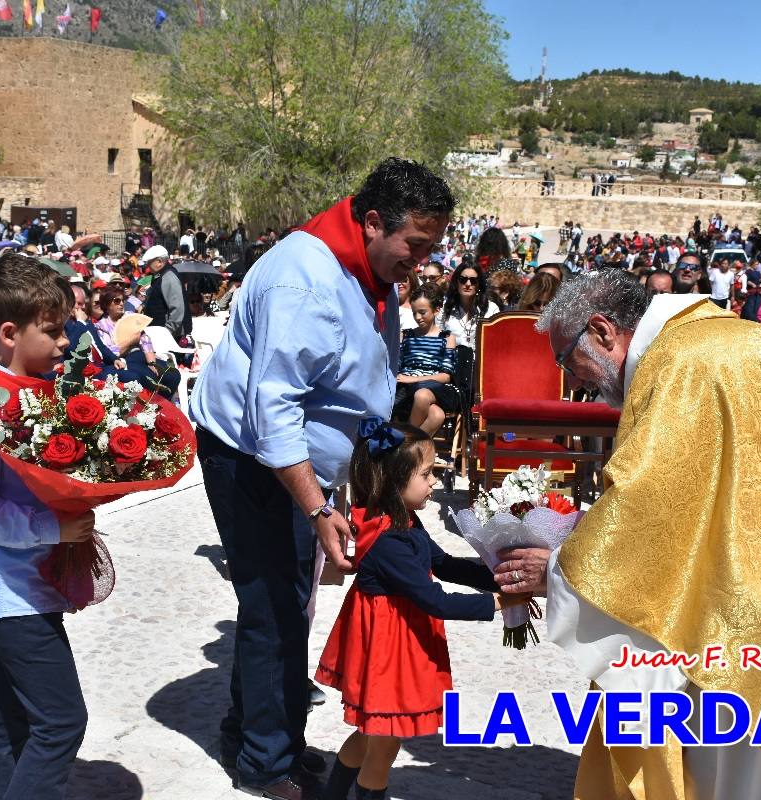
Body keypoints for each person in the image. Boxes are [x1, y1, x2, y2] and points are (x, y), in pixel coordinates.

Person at [498, 270, 761, 798]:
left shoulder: (679, 366)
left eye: (568, 361)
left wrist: (555, 570)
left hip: (741, 628)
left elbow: (645, 509)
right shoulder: (736, 339)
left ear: (605, 331)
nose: (574, 382)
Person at [190, 158, 452, 799]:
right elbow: (273, 410)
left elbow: (353, 395)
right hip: (250, 455)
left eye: (430, 248)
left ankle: (260, 728)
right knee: (273, 603)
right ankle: (263, 759)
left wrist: (403, 446)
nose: (419, 263)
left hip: (297, 458)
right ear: (371, 222)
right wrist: (316, 508)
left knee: (287, 604)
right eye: (414, 246)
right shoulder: (303, 281)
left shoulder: (369, 271)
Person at [0, 254, 95, 798]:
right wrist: (52, 528)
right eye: (52, 331)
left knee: (12, 712)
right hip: (7, 593)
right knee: (61, 722)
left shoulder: (37, 392)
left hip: (33, 587)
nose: (64, 342)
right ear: (9, 333)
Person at [315, 420, 518, 800]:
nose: (434, 482)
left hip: (394, 637)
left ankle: (332, 794)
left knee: (370, 731)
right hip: (389, 651)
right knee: (388, 740)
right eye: (426, 474)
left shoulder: (402, 520)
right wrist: (495, 603)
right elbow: (434, 600)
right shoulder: (390, 540)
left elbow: (440, 562)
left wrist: (497, 575)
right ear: (394, 480)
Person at [393, 285, 458, 437]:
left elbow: (445, 376)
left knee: (422, 395)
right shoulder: (406, 335)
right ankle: (413, 456)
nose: (417, 317)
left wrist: (414, 379)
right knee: (437, 416)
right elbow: (397, 366)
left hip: (434, 388)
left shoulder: (446, 338)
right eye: (414, 313)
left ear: (436, 310)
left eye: (422, 312)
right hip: (406, 390)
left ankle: (404, 441)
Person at [139, 245, 191, 341]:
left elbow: (177, 309)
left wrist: (166, 332)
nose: (147, 266)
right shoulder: (160, 275)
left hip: (169, 337)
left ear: (159, 262)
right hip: (158, 333)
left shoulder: (169, 277)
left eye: (149, 262)